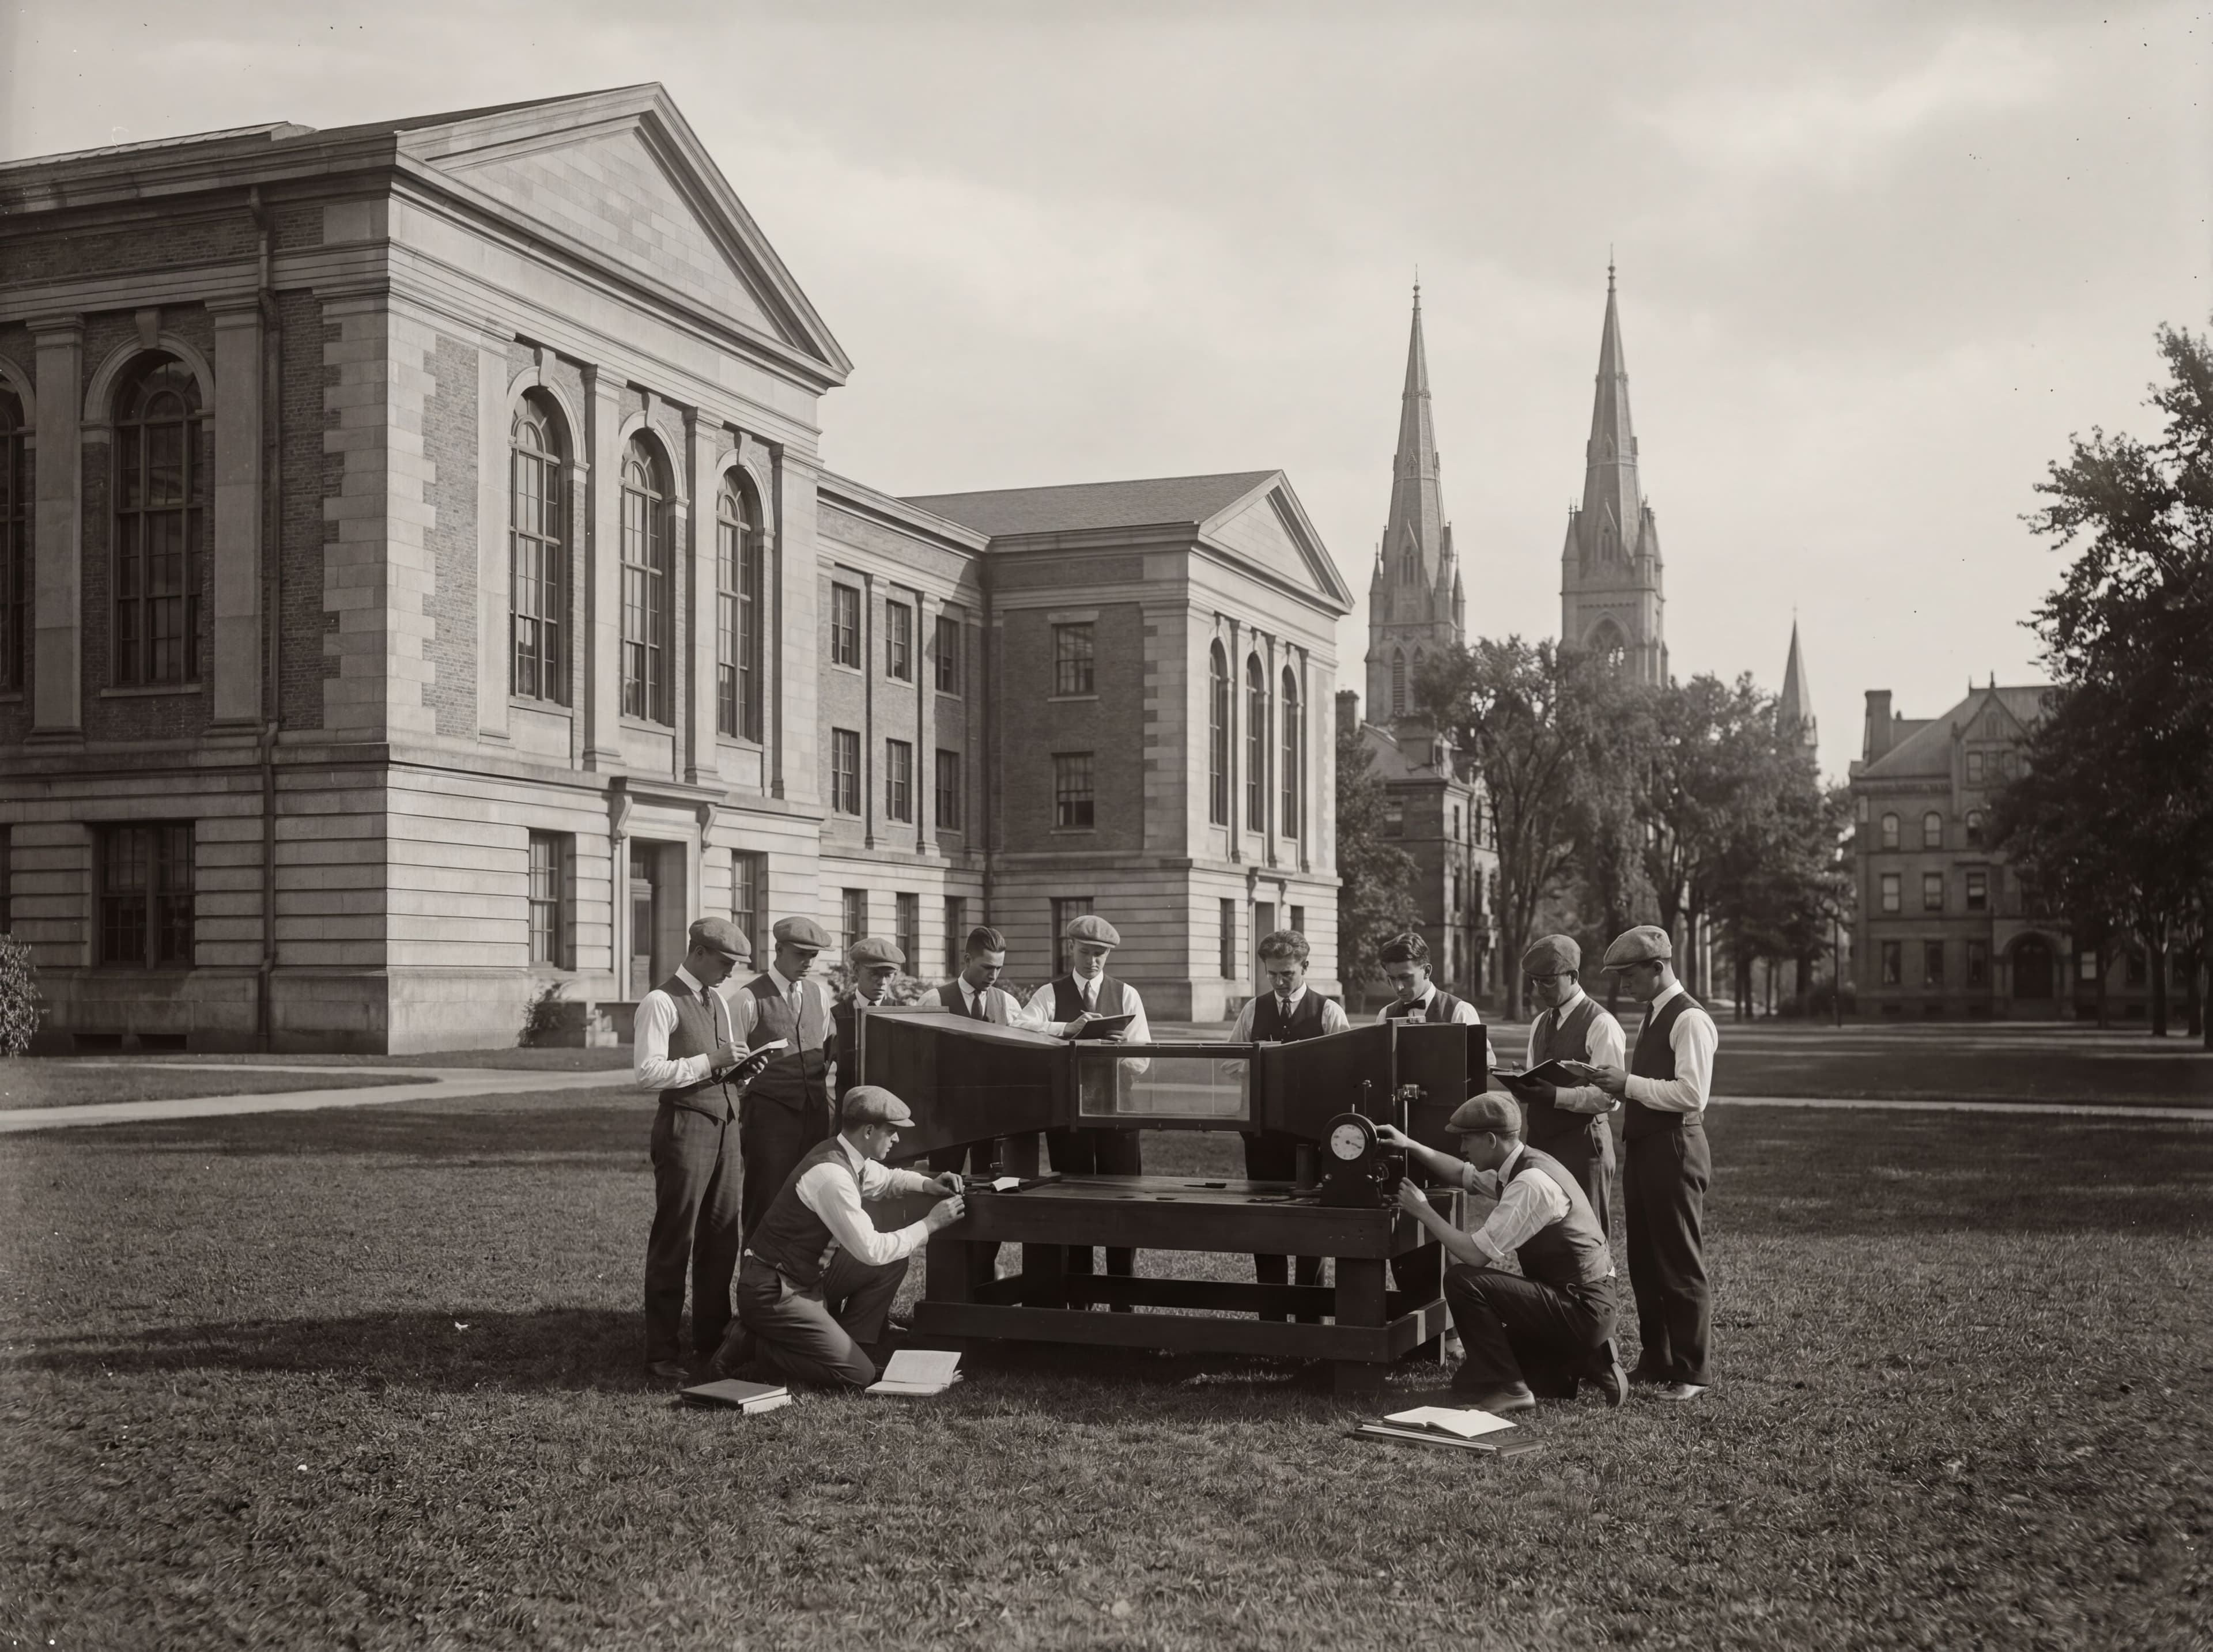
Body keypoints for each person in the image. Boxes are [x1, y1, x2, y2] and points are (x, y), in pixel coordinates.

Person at [1379, 1092, 1626, 1414]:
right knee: (1469, 1383)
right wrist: (1409, 1144)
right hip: (1577, 1298)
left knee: (1463, 1281)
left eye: (1467, 1139)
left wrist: (1423, 1211)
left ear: (1491, 1140)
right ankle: (1590, 1360)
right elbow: (1461, 1173)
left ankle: (1514, 1390)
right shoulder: (1522, 1162)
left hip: (1582, 1307)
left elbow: (1475, 1255)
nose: (1462, 1148)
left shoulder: (1530, 1183)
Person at [715, 1086, 967, 1390]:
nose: (897, 1139)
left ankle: (852, 1345)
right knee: (858, 1376)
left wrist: (928, 1184)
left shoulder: (846, 1154)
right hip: (774, 1290)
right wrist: (930, 1224)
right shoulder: (832, 1176)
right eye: (891, 1132)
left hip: (802, 1278)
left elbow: (888, 1178)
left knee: (892, 1264)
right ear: (869, 1131)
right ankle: (751, 1344)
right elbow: (872, 1250)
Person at [1566, 924, 1719, 1403]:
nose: (1624, 983)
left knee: (1679, 1260)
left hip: (1676, 1146)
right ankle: (1658, 1358)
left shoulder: (1688, 1018)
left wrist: (1626, 1084)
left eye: (1630, 974)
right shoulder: (1654, 1013)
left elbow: (1692, 1094)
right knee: (1647, 1262)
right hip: (1647, 1145)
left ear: (1658, 967)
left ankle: (1692, 1371)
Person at [635, 917, 759, 1380]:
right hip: (684, 1127)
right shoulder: (660, 1001)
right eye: (725, 962)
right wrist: (711, 1061)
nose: (730, 972)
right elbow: (648, 1073)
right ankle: (661, 1352)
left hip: (726, 1125)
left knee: (721, 1236)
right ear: (699, 952)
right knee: (676, 1237)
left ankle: (710, 1338)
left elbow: (718, 1064)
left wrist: (740, 1071)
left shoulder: (719, 1001)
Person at [1025, 913, 1150, 1290]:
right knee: (1073, 1204)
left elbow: (1143, 1059)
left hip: (1118, 1114)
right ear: (1071, 947)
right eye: (1085, 952)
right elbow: (1020, 1029)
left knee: (1122, 1203)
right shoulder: (1049, 994)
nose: (1092, 960)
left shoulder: (1126, 994)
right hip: (1069, 1117)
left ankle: (1121, 1296)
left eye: (1100, 953)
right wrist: (1066, 1029)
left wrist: (1121, 1051)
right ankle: (1079, 1295)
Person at [1230, 929, 1349, 1321]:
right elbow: (1230, 1061)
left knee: (1310, 1228)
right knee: (1266, 1225)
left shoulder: (1328, 1012)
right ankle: (1272, 1318)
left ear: (1305, 967)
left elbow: (1347, 1071)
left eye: (1288, 974)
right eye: (1273, 974)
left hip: (1311, 1139)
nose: (1280, 982)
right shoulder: (1253, 1010)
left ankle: (1309, 1320)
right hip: (1262, 1137)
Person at [1498, 934, 1626, 1235]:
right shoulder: (1540, 1022)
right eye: (1535, 981)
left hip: (1583, 1142)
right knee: (1542, 1226)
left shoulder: (1601, 1023)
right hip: (1542, 1139)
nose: (1540, 990)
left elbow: (1610, 1097)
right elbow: (1538, 1074)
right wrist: (1523, 1083)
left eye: (1548, 981)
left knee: (1587, 1229)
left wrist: (1557, 1095)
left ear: (1573, 976)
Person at [730, 915, 838, 1244]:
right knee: (765, 1202)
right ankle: (756, 1272)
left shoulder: (818, 996)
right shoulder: (748, 999)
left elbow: (822, 1048)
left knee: (814, 1202)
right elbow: (730, 1065)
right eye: (800, 955)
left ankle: (802, 1273)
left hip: (815, 1117)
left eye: (813, 956)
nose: (808, 963)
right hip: (769, 1121)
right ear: (778, 950)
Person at [1373, 930, 1498, 1071]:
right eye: (1392, 979)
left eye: (1406, 977)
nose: (1398, 987)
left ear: (1427, 971)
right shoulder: (1385, 1015)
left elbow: (1483, 1067)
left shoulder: (1460, 1012)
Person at [829, 935, 906, 1111]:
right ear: (856, 971)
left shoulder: (902, 1014)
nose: (882, 982)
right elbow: (820, 1074)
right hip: (849, 1115)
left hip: (891, 1113)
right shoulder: (836, 1015)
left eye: (888, 975)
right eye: (874, 974)